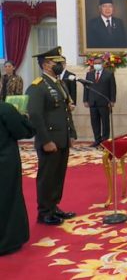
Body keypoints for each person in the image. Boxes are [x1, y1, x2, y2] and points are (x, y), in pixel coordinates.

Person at [25, 46, 77, 226]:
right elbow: (35, 116)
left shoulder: (59, 83)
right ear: (46, 65)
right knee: (47, 176)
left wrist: (71, 133)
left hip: (61, 138)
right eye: (58, 62)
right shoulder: (37, 87)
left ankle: (54, 206)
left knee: (58, 175)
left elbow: (65, 110)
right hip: (49, 140)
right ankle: (44, 212)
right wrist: (45, 140)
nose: (61, 65)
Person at [0, 101, 35, 255]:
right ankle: (7, 241)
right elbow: (23, 131)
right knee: (8, 198)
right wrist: (24, 117)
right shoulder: (5, 109)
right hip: (4, 162)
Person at [83, 56, 117, 147]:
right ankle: (97, 140)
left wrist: (112, 100)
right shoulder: (89, 74)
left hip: (104, 102)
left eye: (98, 63)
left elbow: (112, 88)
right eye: (95, 63)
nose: (97, 65)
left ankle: (105, 141)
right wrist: (85, 100)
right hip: (92, 102)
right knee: (94, 122)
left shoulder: (109, 74)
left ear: (103, 64)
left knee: (105, 122)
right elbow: (86, 88)